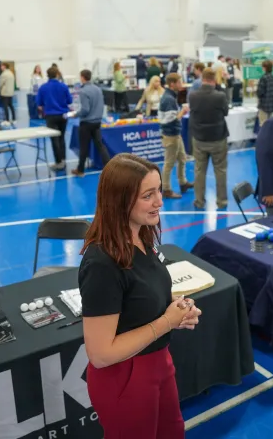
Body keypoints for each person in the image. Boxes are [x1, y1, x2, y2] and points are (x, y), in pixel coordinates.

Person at [79, 154, 200, 439]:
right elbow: (100, 354)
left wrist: (176, 310)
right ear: (120, 201)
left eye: (159, 190)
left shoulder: (144, 237)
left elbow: (143, 297)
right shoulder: (101, 264)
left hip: (159, 362)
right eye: (148, 195)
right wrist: (166, 322)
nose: (160, 201)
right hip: (125, 378)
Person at [189, 68, 229, 210]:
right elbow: (226, 112)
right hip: (218, 138)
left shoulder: (193, 95)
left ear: (202, 79)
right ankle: (222, 201)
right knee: (220, 170)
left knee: (199, 170)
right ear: (214, 80)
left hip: (199, 138)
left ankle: (199, 201)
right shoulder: (220, 96)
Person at [157, 73, 192, 199]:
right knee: (169, 163)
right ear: (172, 84)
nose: (181, 84)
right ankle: (166, 189)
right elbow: (170, 120)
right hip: (171, 135)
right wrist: (183, 112)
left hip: (175, 134)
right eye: (179, 82)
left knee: (182, 158)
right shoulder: (169, 99)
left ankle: (183, 183)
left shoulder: (170, 96)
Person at [72, 70, 111, 177]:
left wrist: (76, 114)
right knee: (100, 145)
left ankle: (80, 170)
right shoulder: (98, 89)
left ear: (82, 77)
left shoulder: (83, 91)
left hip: (87, 123)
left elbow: (85, 109)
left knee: (84, 147)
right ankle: (109, 167)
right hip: (97, 122)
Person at [36, 66, 72, 171]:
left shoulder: (43, 87)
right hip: (63, 115)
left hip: (51, 116)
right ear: (57, 74)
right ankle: (63, 160)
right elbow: (69, 101)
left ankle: (58, 161)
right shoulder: (64, 86)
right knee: (61, 138)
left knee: (54, 139)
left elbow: (39, 104)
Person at [255, 60, 273, 127]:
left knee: (263, 126)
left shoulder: (263, 78)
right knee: (271, 126)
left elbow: (260, 92)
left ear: (264, 68)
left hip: (264, 106)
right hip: (272, 105)